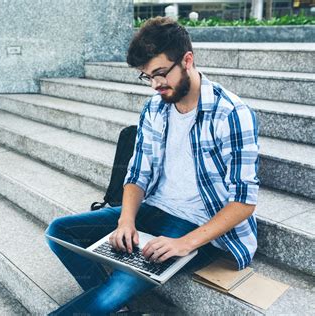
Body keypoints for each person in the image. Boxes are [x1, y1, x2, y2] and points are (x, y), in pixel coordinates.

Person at [45, 16, 259, 315]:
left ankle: (114, 300)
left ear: (187, 60)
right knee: (58, 232)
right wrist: (126, 221)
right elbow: (137, 173)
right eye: (147, 76)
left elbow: (244, 202)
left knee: (117, 286)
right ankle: (122, 309)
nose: (155, 84)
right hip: (154, 208)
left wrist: (186, 243)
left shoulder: (231, 114)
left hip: (197, 223)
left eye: (160, 73)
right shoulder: (155, 108)